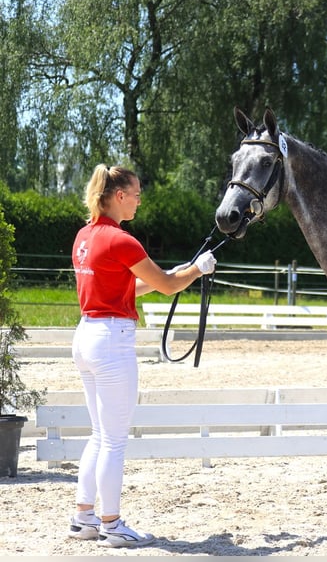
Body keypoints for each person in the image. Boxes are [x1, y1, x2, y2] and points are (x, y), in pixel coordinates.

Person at [68, 164, 216, 548]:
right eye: (135, 194)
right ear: (119, 195)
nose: (138, 200)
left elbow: (125, 287)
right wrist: (197, 271)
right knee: (114, 440)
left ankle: (83, 517)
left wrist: (180, 272)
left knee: (99, 434)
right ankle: (112, 524)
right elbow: (167, 287)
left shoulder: (85, 236)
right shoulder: (122, 240)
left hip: (86, 335)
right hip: (112, 341)